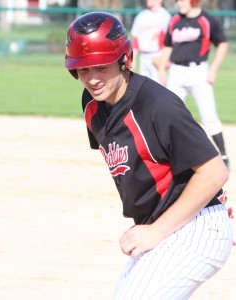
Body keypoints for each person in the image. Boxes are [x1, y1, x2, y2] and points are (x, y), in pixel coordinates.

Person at [65, 12, 233, 299]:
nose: (92, 79)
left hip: (195, 225)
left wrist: (156, 230)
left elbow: (215, 171)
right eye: (83, 69)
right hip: (162, 226)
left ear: (125, 60)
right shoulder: (93, 105)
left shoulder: (157, 105)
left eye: (102, 67)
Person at [158, 0, 230, 169]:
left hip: (198, 72)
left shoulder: (206, 20)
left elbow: (223, 44)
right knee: (167, 113)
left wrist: (213, 69)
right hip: (176, 72)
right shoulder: (174, 20)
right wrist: (162, 68)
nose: (178, 3)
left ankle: (224, 155)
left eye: (182, 0)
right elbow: (167, 46)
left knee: (209, 116)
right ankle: (166, 156)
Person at [130, 0, 171, 82]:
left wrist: (166, 59)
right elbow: (136, 40)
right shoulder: (141, 16)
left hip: (158, 56)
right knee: (143, 87)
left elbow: (169, 41)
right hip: (143, 57)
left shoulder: (165, 16)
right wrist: (133, 59)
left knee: (158, 88)